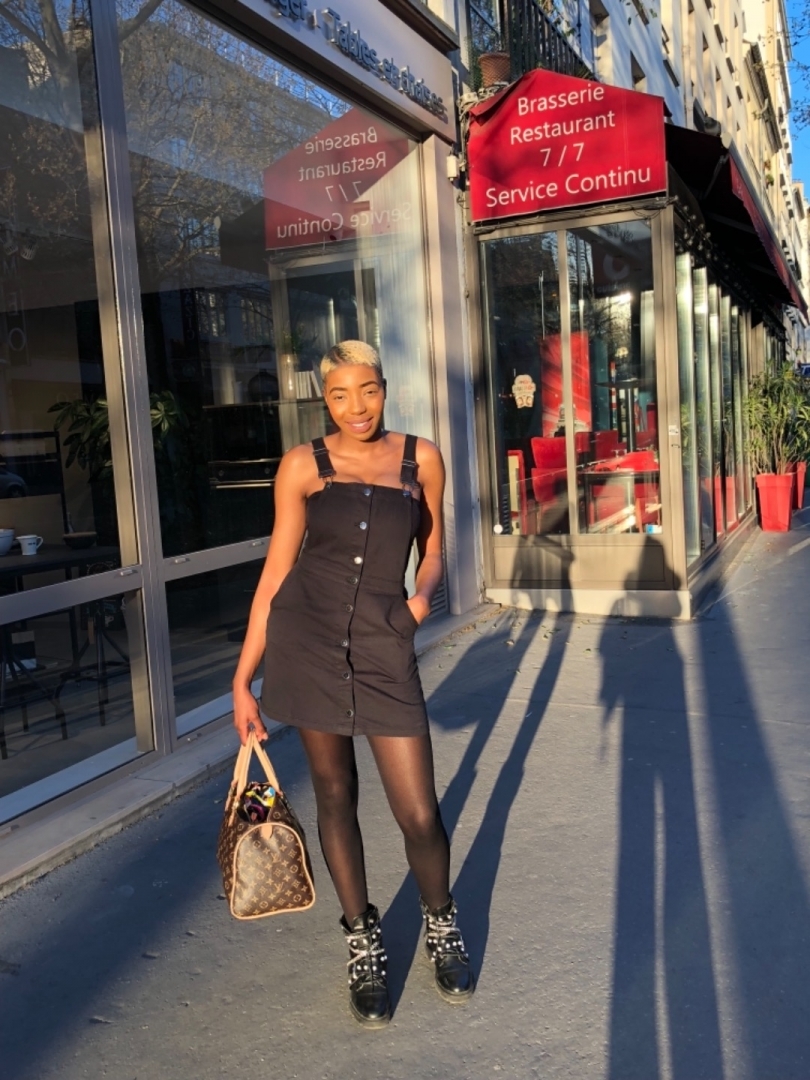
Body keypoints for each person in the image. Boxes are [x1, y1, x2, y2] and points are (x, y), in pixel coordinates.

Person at [232, 340, 475, 1028]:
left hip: (383, 644)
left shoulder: (420, 458)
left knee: (418, 812)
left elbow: (433, 546)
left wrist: (420, 603)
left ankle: (440, 919)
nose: (356, 406)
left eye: (367, 390)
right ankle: (362, 939)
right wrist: (243, 678)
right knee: (335, 795)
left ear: (384, 388)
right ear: (325, 400)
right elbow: (277, 573)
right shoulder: (301, 466)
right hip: (305, 645)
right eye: (340, 395)